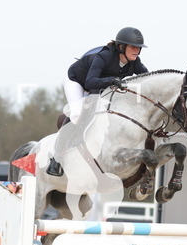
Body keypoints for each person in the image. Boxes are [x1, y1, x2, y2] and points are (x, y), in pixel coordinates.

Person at [47, 27, 149, 177]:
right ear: (121, 47)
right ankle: (56, 158)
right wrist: (113, 80)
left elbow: (147, 78)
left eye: (138, 48)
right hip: (78, 81)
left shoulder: (135, 62)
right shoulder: (104, 57)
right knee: (77, 113)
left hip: (100, 86)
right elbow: (90, 82)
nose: (137, 51)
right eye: (133, 47)